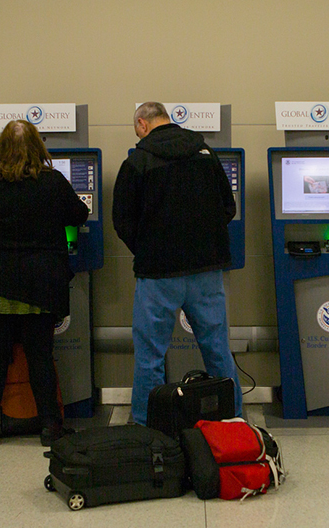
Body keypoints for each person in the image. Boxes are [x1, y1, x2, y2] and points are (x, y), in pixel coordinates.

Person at [112, 102, 243, 426]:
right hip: (206, 270)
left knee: (150, 355)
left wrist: (148, 248)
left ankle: (146, 425)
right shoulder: (205, 154)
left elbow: (122, 220)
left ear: (142, 124)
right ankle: (232, 420)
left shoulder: (137, 161)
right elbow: (228, 207)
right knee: (216, 349)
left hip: (158, 274)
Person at [0, 120, 89, 447]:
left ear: (1, 146)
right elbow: (79, 214)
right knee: (40, 354)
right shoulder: (52, 182)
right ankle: (49, 426)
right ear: (38, 147)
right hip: (38, 284)